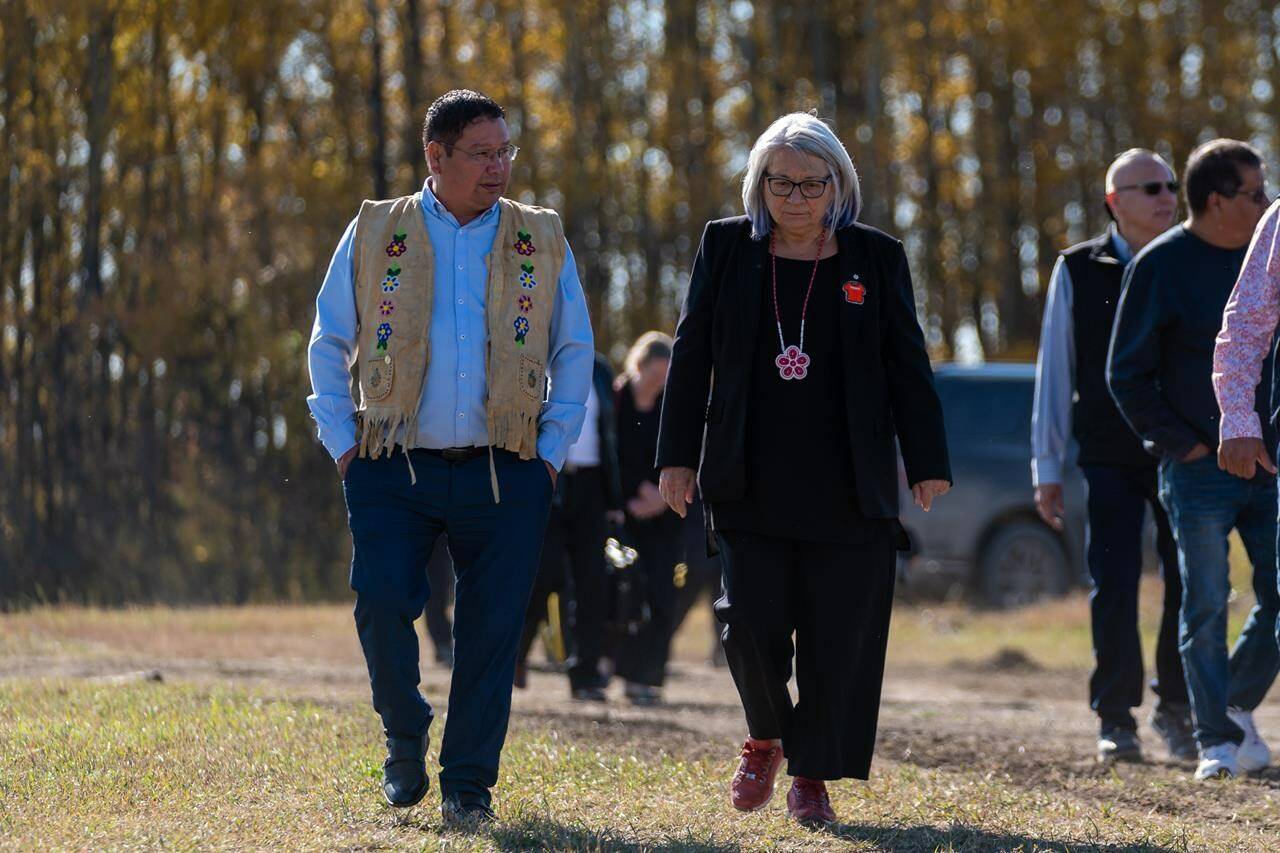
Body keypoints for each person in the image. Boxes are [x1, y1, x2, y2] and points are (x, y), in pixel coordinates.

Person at [305, 89, 593, 822]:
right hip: (390, 466)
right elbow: (329, 338)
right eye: (482, 153)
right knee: (381, 601)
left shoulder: (540, 234)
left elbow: (574, 347)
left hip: (507, 470)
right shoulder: (377, 229)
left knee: (492, 629)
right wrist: (344, 445)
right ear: (436, 157)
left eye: (505, 152)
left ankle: (469, 782)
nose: (498, 167)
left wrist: (550, 453)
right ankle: (404, 736)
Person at [656, 112, 951, 825]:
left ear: (836, 184)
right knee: (747, 619)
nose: (793, 196)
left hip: (849, 484)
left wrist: (926, 458)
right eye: (779, 181)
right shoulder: (726, 247)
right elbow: (692, 352)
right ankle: (767, 733)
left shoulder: (874, 258)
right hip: (748, 474)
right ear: (759, 184)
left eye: (809, 182)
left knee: (837, 633)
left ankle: (811, 775)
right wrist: (674, 455)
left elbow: (908, 365)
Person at [1108, 139, 1278, 781]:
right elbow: (1125, 375)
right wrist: (1188, 444)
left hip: (1269, 464)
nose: (1266, 204)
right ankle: (1215, 740)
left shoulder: (1266, 254)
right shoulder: (1160, 265)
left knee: (1279, 590)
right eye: (1255, 193)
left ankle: (1231, 701)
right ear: (1217, 200)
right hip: (1199, 470)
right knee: (1205, 600)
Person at [1031, 149, 1192, 764]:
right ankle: (1115, 716)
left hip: (1187, 450)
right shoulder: (1077, 268)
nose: (1165, 195)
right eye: (1149, 186)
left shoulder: (1193, 260)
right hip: (1108, 453)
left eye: (1170, 184)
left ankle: (1177, 707)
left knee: (1190, 581)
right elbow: (1054, 370)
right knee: (1115, 581)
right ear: (1113, 201)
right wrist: (1046, 467)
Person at [514, 351, 624, 700]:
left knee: (592, 582)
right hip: (549, 482)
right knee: (541, 576)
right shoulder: (532, 361)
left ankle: (586, 674)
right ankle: (513, 657)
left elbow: (609, 435)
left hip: (591, 488)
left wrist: (614, 498)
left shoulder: (600, 370)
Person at [615, 332, 683, 706]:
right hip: (622, 515)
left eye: (665, 378)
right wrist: (629, 497)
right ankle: (616, 667)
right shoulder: (616, 401)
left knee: (661, 595)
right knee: (626, 594)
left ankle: (648, 676)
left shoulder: (670, 407)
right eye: (654, 376)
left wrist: (659, 498)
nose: (659, 384)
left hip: (663, 514)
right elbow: (608, 453)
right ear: (639, 366)